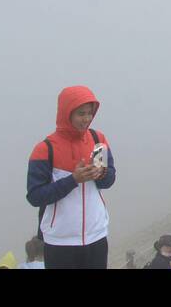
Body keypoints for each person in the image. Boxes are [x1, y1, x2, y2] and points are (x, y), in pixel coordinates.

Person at [26, 85, 116, 269]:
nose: (87, 119)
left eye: (90, 113)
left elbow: (108, 180)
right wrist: (73, 180)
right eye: (81, 113)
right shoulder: (45, 149)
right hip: (60, 241)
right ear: (66, 113)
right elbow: (35, 196)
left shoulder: (97, 140)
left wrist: (101, 173)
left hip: (96, 235)